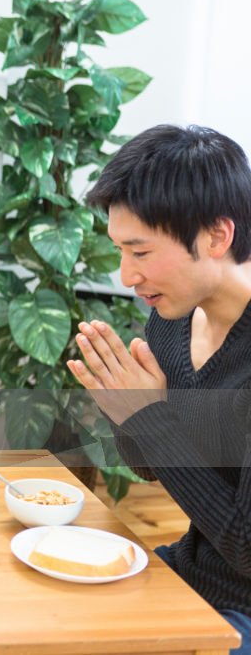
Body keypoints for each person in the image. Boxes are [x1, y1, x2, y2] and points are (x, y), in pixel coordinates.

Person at [67, 125, 251, 653]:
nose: (126, 275)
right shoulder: (172, 320)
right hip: (196, 573)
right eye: (120, 251)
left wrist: (147, 417)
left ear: (216, 236)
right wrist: (125, 408)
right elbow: (152, 464)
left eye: (140, 252)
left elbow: (245, 545)